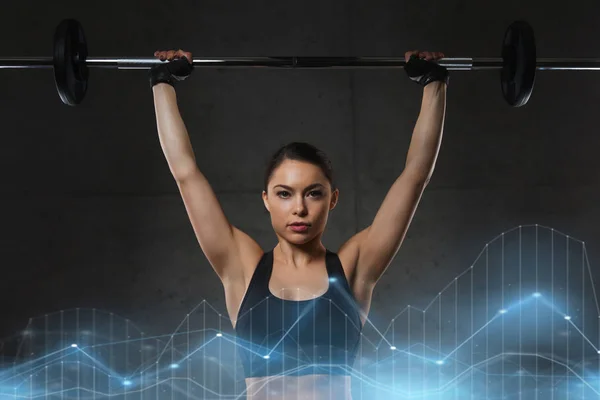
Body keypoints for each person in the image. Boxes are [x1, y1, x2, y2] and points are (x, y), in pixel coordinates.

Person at [149, 49, 447, 400]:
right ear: (267, 200)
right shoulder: (243, 267)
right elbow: (186, 174)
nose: (300, 209)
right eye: (285, 194)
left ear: (332, 199)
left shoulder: (352, 267)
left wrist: (434, 83)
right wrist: (162, 82)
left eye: (314, 194)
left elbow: (414, 177)